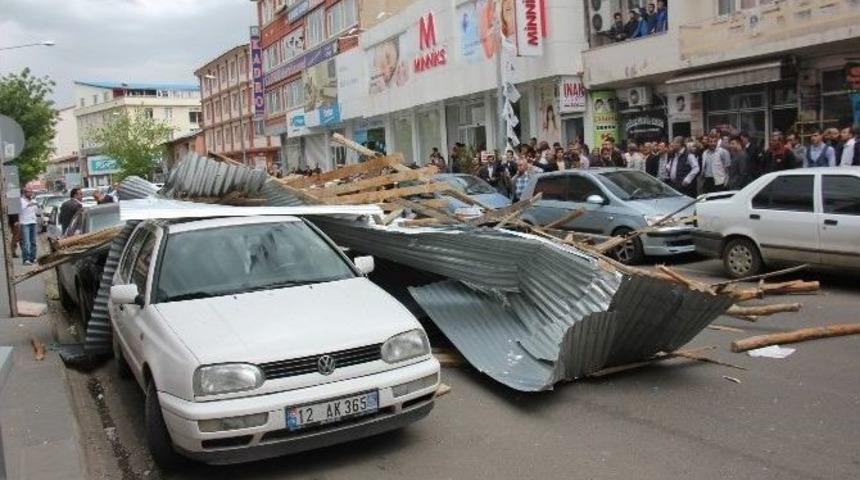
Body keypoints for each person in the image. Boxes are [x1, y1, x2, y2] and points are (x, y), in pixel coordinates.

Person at [18, 190, 38, 265]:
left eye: (31, 192)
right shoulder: (21, 200)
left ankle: (33, 258)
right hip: (24, 222)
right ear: (25, 193)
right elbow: (20, 209)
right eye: (29, 192)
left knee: (33, 242)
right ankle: (26, 259)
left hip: (33, 222)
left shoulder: (33, 200)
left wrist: (36, 205)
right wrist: (29, 204)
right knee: (26, 242)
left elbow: (36, 210)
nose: (30, 194)